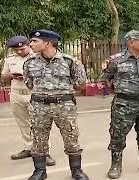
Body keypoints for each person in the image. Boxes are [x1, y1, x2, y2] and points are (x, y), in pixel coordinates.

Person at [23, 29, 89, 180]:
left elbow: (81, 84)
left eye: (34, 41)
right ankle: (40, 171)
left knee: (71, 137)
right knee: (38, 138)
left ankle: (76, 171)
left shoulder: (70, 61)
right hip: (39, 106)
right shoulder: (29, 63)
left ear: (47, 43)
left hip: (64, 105)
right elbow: (29, 84)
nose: (31, 44)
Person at [102, 30, 139, 179]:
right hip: (124, 103)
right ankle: (116, 164)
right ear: (130, 42)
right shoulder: (115, 60)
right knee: (118, 135)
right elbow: (106, 80)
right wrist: (122, 93)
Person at [1, 36, 56, 166]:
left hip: (33, 94)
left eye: (21, 49)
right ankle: (29, 148)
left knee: (39, 124)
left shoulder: (38, 58)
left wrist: (26, 76)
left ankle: (44, 152)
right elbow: (4, 75)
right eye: (16, 50)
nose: (19, 52)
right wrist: (11, 75)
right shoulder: (9, 60)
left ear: (28, 45)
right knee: (23, 123)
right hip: (16, 94)